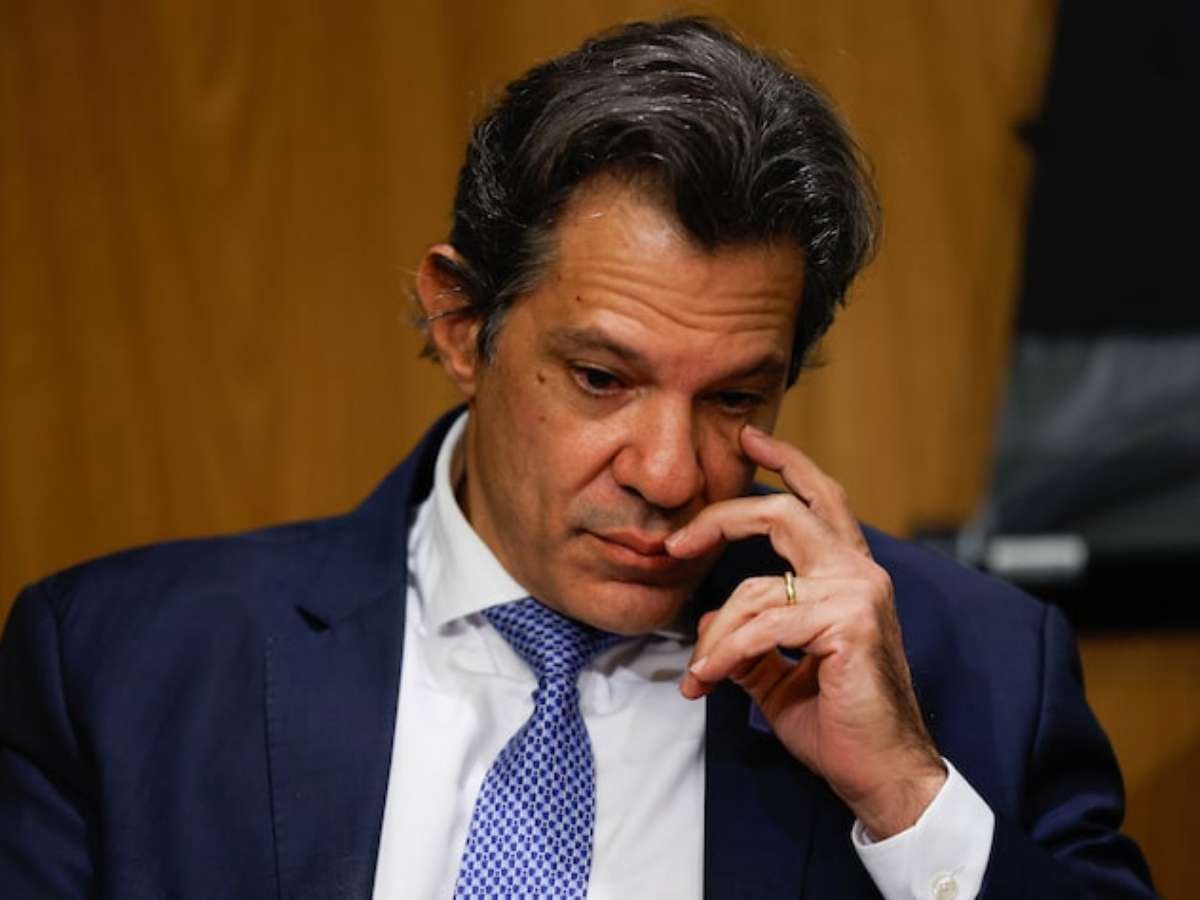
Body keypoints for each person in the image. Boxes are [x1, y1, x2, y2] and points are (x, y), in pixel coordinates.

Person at [0, 16, 1154, 899]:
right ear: (462, 323)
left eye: (735, 398)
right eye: (602, 378)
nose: (669, 472)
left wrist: (903, 794)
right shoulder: (122, 666)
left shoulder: (977, 670)